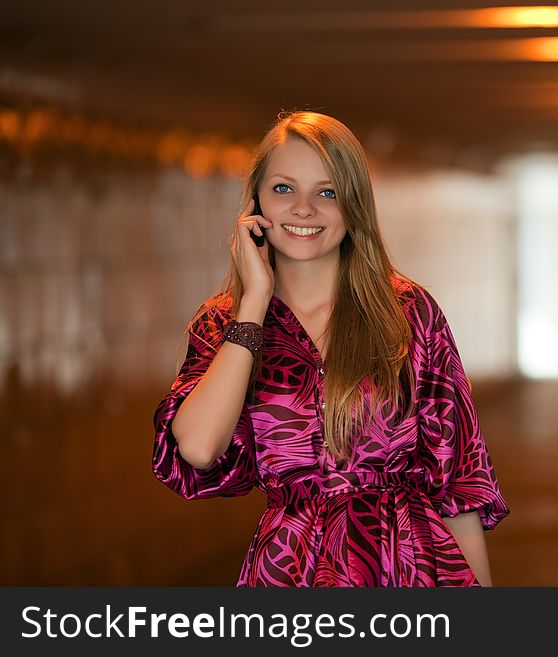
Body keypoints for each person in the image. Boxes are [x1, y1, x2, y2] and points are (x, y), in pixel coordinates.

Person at [151, 110, 510, 587]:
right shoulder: (225, 323)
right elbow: (197, 448)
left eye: (327, 192)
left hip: (409, 570)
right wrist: (253, 306)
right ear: (255, 200)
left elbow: (458, 482)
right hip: (289, 573)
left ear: (353, 204)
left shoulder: (408, 313)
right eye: (284, 189)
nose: (304, 209)